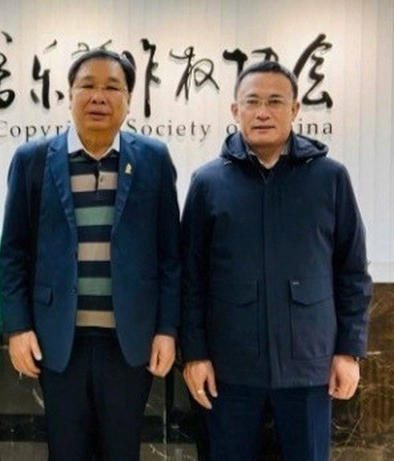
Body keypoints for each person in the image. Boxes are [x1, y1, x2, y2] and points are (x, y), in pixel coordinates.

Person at [180, 60, 372, 461]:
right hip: (228, 371)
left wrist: (348, 351)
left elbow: (351, 272)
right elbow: (191, 278)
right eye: (252, 102)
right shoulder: (208, 182)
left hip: (309, 367)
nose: (263, 112)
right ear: (235, 111)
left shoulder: (330, 178)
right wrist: (195, 355)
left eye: (274, 101)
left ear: (295, 109)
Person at [0, 49, 181, 460]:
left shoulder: (152, 158)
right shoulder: (34, 159)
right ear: (68, 95)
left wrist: (167, 330)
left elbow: (171, 256)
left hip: (128, 342)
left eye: (112, 87)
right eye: (88, 86)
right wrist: (17, 328)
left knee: (122, 451)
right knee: (66, 451)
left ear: (129, 100)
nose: (99, 96)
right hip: (58, 341)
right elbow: (13, 253)